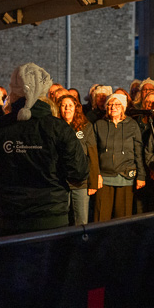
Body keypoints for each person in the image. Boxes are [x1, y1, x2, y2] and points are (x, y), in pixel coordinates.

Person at [0, 63, 87, 235]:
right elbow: (79, 172)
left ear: (14, 92)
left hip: (12, 218)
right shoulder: (59, 128)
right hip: (52, 217)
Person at [92, 93, 145, 221]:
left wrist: (141, 176)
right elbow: (93, 153)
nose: (113, 107)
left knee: (122, 219)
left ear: (123, 107)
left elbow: (138, 151)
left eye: (117, 104)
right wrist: (96, 174)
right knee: (101, 219)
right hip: (104, 178)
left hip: (125, 176)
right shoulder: (99, 125)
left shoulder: (132, 125)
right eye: (110, 104)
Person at [56, 94, 98, 226]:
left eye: (70, 105)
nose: (67, 108)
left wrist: (94, 182)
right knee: (62, 220)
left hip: (81, 182)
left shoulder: (86, 127)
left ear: (76, 108)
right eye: (63, 105)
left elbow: (92, 155)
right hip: (60, 182)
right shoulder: (55, 126)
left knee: (81, 221)